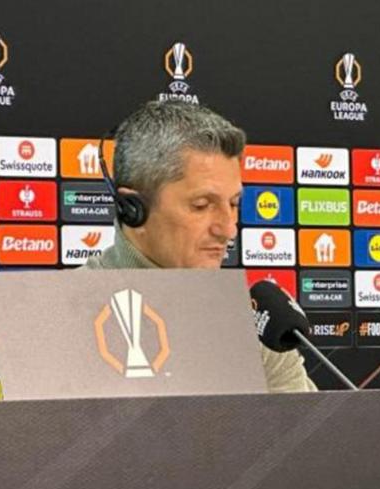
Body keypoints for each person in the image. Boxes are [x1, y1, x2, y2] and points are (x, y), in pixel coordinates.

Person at [82, 100, 316, 392]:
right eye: (202, 205)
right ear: (133, 209)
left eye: (234, 204)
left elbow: (307, 422)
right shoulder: (56, 317)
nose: (228, 229)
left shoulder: (255, 326)